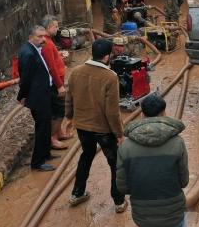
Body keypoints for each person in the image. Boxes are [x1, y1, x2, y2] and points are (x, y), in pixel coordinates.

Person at [116, 93, 189, 227]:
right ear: (163, 113)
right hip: (173, 207)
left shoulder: (126, 147)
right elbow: (183, 181)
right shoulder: (177, 143)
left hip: (143, 211)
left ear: (142, 114)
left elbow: (122, 186)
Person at [65, 38, 128, 211]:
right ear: (107, 56)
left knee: (86, 155)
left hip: (82, 127)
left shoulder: (76, 72)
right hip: (103, 130)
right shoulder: (110, 77)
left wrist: (69, 118)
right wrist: (119, 133)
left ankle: (77, 193)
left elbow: (69, 98)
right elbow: (112, 111)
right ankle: (119, 201)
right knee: (115, 163)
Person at [17, 25, 56, 172]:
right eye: (39, 37)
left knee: (46, 125)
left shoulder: (35, 49)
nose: (43, 39)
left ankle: (46, 154)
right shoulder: (28, 53)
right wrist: (22, 96)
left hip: (44, 93)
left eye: (44, 36)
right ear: (30, 37)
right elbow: (25, 78)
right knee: (42, 128)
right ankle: (38, 162)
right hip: (38, 97)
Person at [41, 15, 72, 151]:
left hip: (56, 80)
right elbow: (51, 67)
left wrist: (58, 55)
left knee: (58, 109)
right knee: (59, 110)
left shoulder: (48, 41)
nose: (57, 29)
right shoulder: (47, 44)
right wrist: (59, 86)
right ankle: (53, 137)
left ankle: (58, 132)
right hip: (54, 83)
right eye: (56, 26)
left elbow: (51, 59)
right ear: (48, 27)